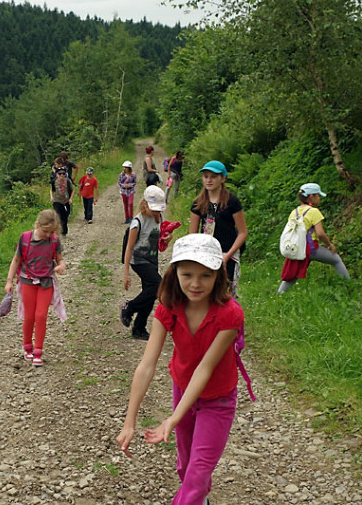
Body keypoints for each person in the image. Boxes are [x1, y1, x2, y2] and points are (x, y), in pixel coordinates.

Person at [117, 233, 244, 505]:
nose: (195, 284)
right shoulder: (169, 307)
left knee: (197, 474)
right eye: (187, 275)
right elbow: (146, 365)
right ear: (174, 272)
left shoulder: (230, 314)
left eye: (205, 276)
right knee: (186, 467)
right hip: (183, 388)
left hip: (218, 398)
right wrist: (130, 423)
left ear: (218, 276)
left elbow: (204, 369)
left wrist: (172, 419)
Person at [4, 209, 67, 367]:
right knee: (29, 316)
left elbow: (60, 259)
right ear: (38, 225)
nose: (48, 235)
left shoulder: (54, 240)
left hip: (46, 282)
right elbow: (16, 260)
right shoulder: (25, 238)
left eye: (52, 232)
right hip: (27, 281)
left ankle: (38, 351)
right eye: (46, 231)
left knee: (41, 316)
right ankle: (28, 348)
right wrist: (9, 281)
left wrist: (61, 266)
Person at [278, 183, 350, 293]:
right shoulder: (314, 212)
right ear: (311, 197)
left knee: (294, 272)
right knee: (336, 260)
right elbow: (320, 233)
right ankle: (349, 287)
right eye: (318, 195)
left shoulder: (294, 212)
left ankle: (279, 294)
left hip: (298, 247)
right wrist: (329, 245)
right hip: (310, 248)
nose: (319, 198)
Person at [190, 161, 248, 298]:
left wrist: (227, 256)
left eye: (213, 176)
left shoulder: (232, 202)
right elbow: (192, 235)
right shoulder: (198, 203)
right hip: (206, 252)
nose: (209, 180)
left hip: (228, 252)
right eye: (206, 176)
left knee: (223, 293)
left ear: (223, 178)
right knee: (206, 292)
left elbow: (242, 232)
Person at [121, 185, 168, 340]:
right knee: (158, 285)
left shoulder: (159, 218)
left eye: (159, 209)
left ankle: (139, 328)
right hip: (139, 260)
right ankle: (129, 307)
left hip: (152, 259)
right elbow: (129, 248)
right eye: (154, 209)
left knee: (150, 293)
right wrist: (126, 273)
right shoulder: (137, 222)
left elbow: (160, 242)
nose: (157, 212)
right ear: (145, 204)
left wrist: (167, 239)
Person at [50, 167, 74, 237]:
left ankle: (64, 232)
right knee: (58, 216)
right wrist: (51, 197)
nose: (62, 175)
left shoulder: (68, 181)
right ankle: (57, 230)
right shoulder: (54, 182)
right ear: (57, 174)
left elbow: (72, 190)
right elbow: (52, 190)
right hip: (57, 201)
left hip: (66, 201)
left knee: (65, 217)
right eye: (60, 173)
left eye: (63, 173)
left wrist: (71, 199)